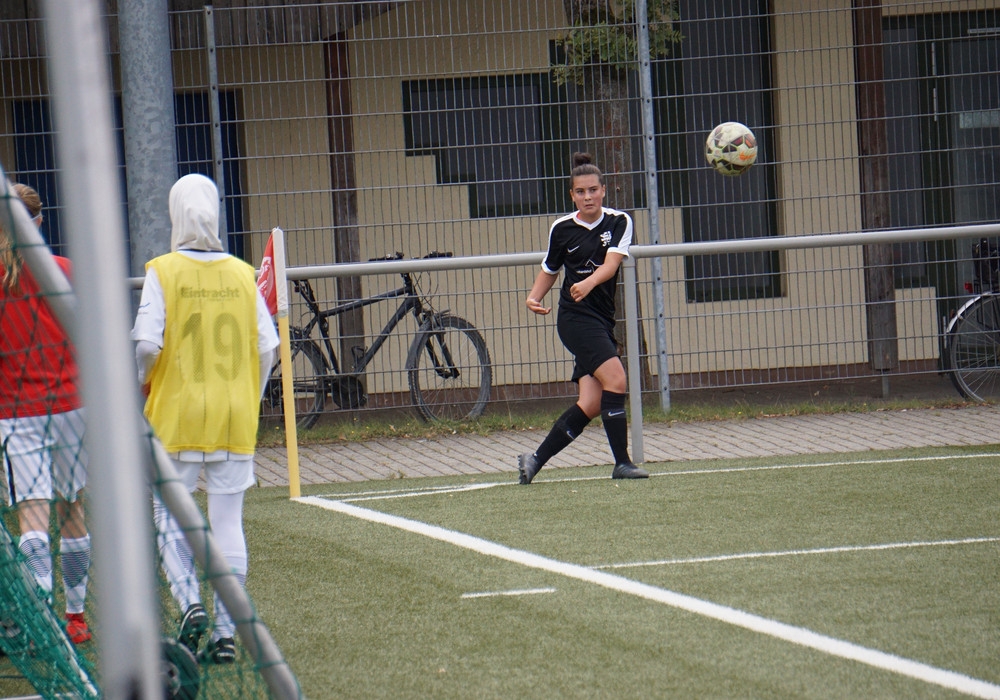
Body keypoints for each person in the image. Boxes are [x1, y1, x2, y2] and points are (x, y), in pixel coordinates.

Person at [132, 173, 279, 664]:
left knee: (167, 515)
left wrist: (140, 383)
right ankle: (224, 633)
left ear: (176, 213)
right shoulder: (241, 273)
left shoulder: (163, 271)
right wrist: (251, 397)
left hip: (175, 414)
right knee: (228, 521)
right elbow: (268, 345)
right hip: (234, 416)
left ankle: (190, 603)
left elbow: (148, 345)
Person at [518, 153, 649, 484]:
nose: (588, 197)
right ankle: (622, 463)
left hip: (601, 318)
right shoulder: (561, 229)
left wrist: (589, 281)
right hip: (575, 319)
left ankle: (534, 460)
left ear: (603, 190)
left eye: (593, 190)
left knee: (591, 402)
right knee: (617, 380)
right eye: (580, 192)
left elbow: (611, 264)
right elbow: (550, 269)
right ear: (572, 195)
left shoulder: (619, 221)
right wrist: (534, 297)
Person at [0, 183, 92, 643]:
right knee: (72, 510)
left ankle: (41, 622)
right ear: (40, 222)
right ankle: (76, 619)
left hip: (18, 413)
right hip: (72, 407)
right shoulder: (67, 271)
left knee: (32, 520)